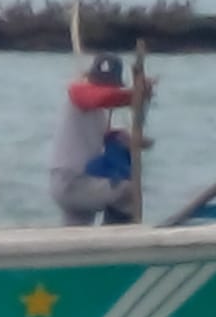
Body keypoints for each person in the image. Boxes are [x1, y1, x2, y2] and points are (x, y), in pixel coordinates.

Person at [48, 53, 154, 226]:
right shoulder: (78, 92)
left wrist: (135, 141)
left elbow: (111, 137)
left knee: (75, 232)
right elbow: (101, 97)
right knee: (128, 192)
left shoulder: (98, 112)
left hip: (82, 179)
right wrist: (133, 96)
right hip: (71, 181)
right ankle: (118, 236)